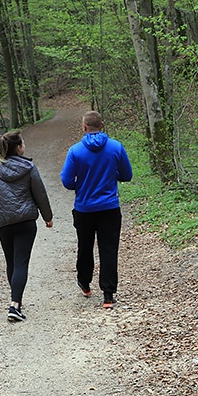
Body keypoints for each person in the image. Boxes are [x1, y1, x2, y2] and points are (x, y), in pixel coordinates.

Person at [60, 110, 133, 309]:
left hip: (84, 209)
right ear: (102, 125)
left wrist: (81, 185)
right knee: (109, 249)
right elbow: (127, 175)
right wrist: (111, 175)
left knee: (85, 246)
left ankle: (85, 283)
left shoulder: (75, 151)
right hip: (109, 207)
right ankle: (108, 295)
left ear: (84, 127)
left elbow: (67, 181)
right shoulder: (116, 147)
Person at [0, 130, 53, 323]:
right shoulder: (29, 168)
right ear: (18, 147)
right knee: (21, 263)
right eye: (23, 143)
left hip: (3, 223)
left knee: (11, 262)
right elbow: (40, 194)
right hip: (25, 222)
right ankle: (15, 305)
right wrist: (48, 217)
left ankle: (16, 302)